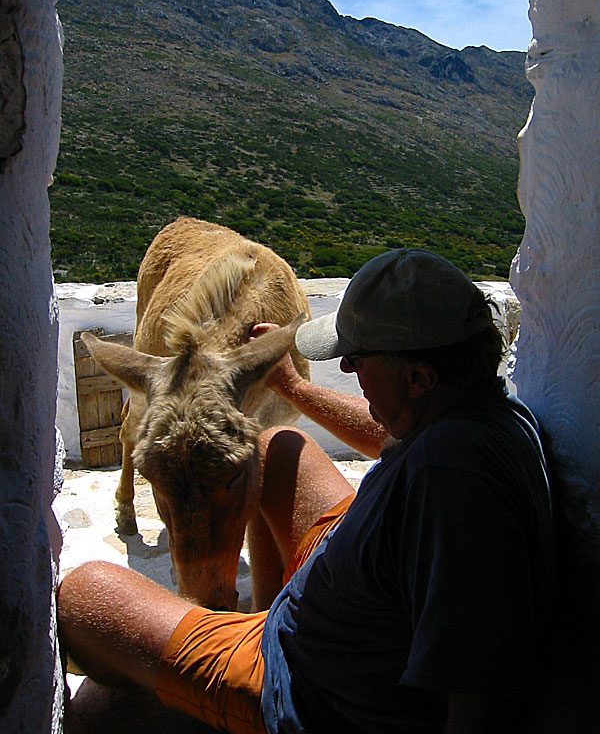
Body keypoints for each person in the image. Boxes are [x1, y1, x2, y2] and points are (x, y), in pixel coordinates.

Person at [58, 248, 553, 734]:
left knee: (86, 594)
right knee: (276, 446)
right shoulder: (484, 411)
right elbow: (390, 435)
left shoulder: (450, 488)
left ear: (419, 377)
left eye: (357, 359)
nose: (347, 372)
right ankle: (262, 609)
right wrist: (293, 387)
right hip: (357, 587)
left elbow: (478, 696)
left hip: (304, 684)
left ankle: (240, 659)